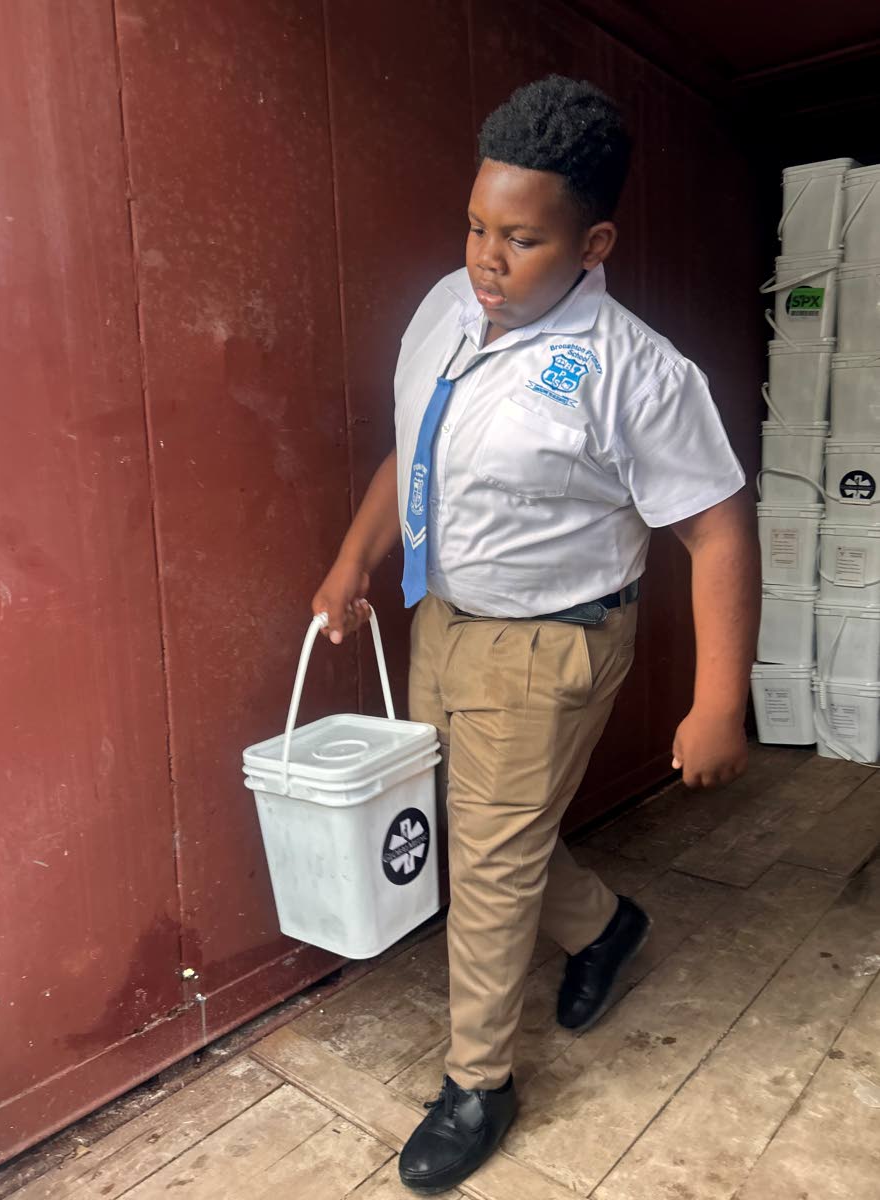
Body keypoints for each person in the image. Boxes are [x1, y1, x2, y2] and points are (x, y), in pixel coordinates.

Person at [311, 75, 760, 1195]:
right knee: (471, 827)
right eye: (474, 224)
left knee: (492, 868)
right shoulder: (443, 308)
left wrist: (718, 700)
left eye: (520, 238)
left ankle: (478, 1084)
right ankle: (606, 928)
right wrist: (353, 558)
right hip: (443, 618)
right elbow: (413, 446)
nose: (485, 258)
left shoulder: (635, 372)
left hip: (550, 647)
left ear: (592, 241)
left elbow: (715, 531)